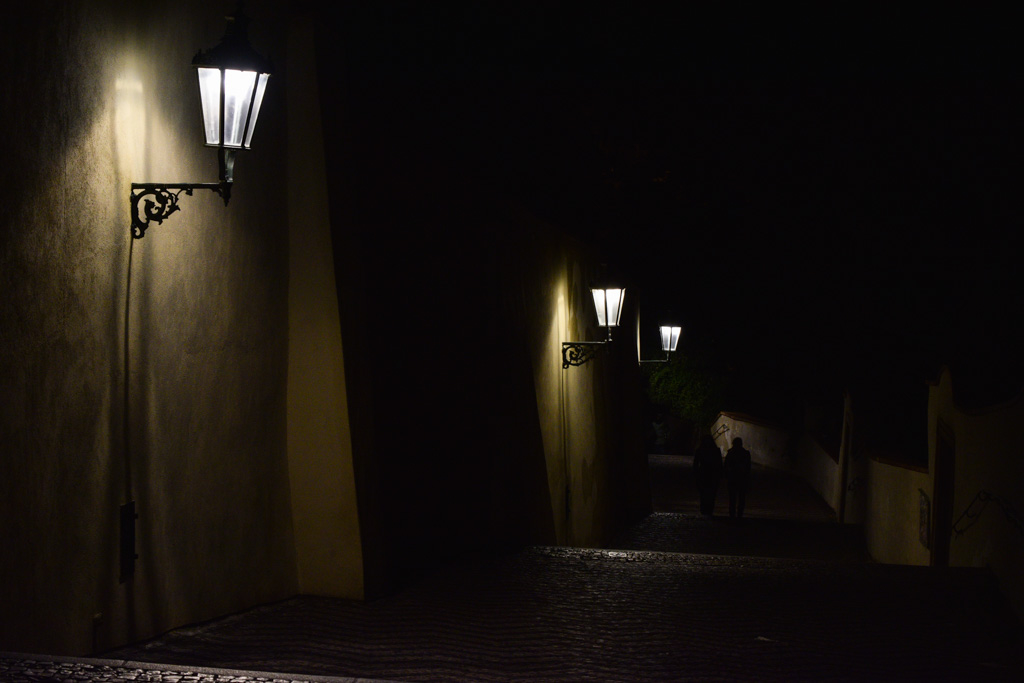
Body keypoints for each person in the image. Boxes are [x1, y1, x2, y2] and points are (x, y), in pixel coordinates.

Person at [692, 435, 723, 517]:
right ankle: (709, 510)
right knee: (711, 494)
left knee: (703, 494)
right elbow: (719, 464)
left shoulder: (700, 450)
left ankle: (704, 509)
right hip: (713, 474)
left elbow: (695, 464)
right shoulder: (716, 450)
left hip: (703, 474)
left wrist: (696, 474)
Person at [724, 437, 752, 519]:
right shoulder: (745, 453)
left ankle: (732, 513)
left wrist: (726, 475)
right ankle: (740, 513)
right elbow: (748, 467)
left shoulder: (731, 453)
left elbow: (726, 466)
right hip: (742, 478)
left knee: (732, 497)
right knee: (741, 497)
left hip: (733, 478)